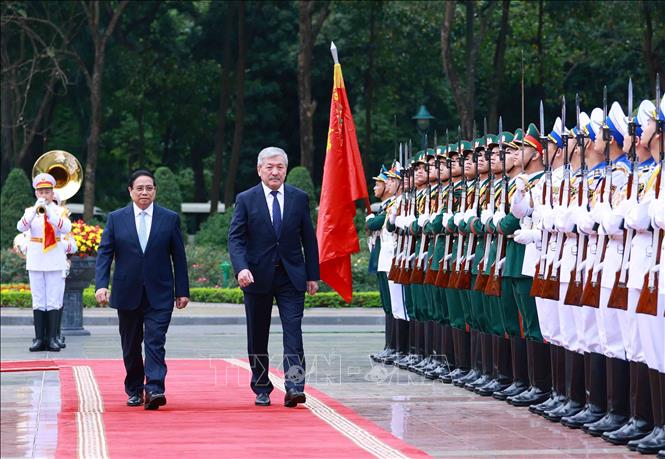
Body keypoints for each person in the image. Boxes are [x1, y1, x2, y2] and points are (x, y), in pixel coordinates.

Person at [228, 147, 319, 408]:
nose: (275, 171)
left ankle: (294, 386)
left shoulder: (299, 198)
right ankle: (261, 386)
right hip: (256, 277)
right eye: (270, 167)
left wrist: (312, 274)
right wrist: (241, 268)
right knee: (258, 335)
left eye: (280, 166)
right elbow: (235, 238)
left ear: (286, 169)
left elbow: (308, 239)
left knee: (293, 333)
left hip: (291, 276)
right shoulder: (246, 199)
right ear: (259, 170)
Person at [95, 169, 189, 410]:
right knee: (131, 344)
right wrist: (101, 285)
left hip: (160, 292)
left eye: (149, 188)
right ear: (130, 191)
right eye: (140, 188)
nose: (144, 192)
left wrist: (182, 290)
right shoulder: (116, 218)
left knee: (155, 340)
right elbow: (105, 253)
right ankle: (135, 388)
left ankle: (155, 388)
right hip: (127, 292)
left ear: (155, 191)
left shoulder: (169, 218)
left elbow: (178, 256)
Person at [17, 173, 72, 352]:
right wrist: (35, 211)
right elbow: (21, 227)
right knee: (39, 299)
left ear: (52, 193)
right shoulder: (30, 211)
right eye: (41, 192)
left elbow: (66, 228)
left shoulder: (59, 211)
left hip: (54, 259)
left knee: (54, 300)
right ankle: (39, 338)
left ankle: (52, 338)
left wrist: (50, 213)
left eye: (47, 192)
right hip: (36, 259)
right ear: (36, 193)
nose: (44, 195)